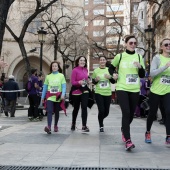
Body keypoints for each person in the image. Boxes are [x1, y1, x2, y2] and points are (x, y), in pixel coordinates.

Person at [109, 35, 145, 150]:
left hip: (134, 89)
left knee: (131, 115)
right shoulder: (120, 56)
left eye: (135, 43)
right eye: (131, 43)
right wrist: (113, 75)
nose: (133, 45)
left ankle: (124, 129)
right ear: (126, 44)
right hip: (122, 88)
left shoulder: (139, 57)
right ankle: (128, 140)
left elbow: (142, 75)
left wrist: (140, 67)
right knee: (126, 112)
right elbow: (110, 67)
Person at [145, 38, 170, 146]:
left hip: (167, 91)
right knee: (152, 112)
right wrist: (165, 67)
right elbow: (152, 73)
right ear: (161, 47)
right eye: (166, 44)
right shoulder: (157, 58)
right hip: (155, 91)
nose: (168, 46)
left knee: (169, 112)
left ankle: (168, 136)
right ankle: (148, 132)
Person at [41, 61, 66, 134]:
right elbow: (45, 87)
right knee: (49, 111)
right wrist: (42, 97)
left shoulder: (61, 76)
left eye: (55, 66)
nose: (54, 67)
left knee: (56, 112)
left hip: (58, 97)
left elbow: (64, 87)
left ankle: (55, 125)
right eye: (53, 66)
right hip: (50, 97)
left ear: (58, 67)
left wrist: (63, 94)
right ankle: (49, 127)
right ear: (51, 68)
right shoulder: (48, 76)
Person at [92, 56, 115, 132]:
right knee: (101, 110)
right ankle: (101, 125)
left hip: (108, 93)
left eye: (103, 60)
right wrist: (96, 80)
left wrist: (110, 78)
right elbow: (93, 82)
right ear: (99, 61)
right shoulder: (96, 71)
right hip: (99, 93)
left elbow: (113, 82)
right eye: (101, 60)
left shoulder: (109, 70)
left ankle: (100, 118)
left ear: (105, 61)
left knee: (106, 112)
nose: (102, 61)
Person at [70, 56, 90, 132]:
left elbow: (86, 79)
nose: (82, 62)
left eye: (84, 60)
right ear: (78, 62)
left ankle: (84, 125)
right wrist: (79, 82)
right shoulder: (75, 70)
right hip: (76, 91)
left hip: (84, 90)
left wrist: (88, 81)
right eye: (81, 60)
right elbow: (72, 82)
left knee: (84, 107)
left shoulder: (86, 70)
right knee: (76, 108)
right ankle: (73, 123)